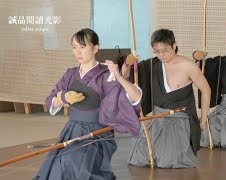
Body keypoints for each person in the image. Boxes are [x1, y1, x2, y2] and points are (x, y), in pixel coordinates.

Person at [34, 28, 142, 180]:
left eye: (82, 47)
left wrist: (118, 75)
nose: (78, 52)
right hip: (72, 129)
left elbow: (135, 96)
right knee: (58, 164)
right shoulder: (70, 74)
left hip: (97, 131)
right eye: (74, 47)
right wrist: (64, 97)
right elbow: (52, 98)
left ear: (95, 48)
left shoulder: (106, 75)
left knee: (78, 165)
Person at [124, 28, 211, 168]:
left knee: (168, 160)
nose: (161, 55)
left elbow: (206, 91)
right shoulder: (152, 65)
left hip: (180, 120)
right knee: (139, 157)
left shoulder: (188, 66)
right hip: (157, 119)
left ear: (174, 46)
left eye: (165, 50)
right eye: (157, 51)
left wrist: (203, 119)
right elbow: (126, 78)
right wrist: (127, 64)